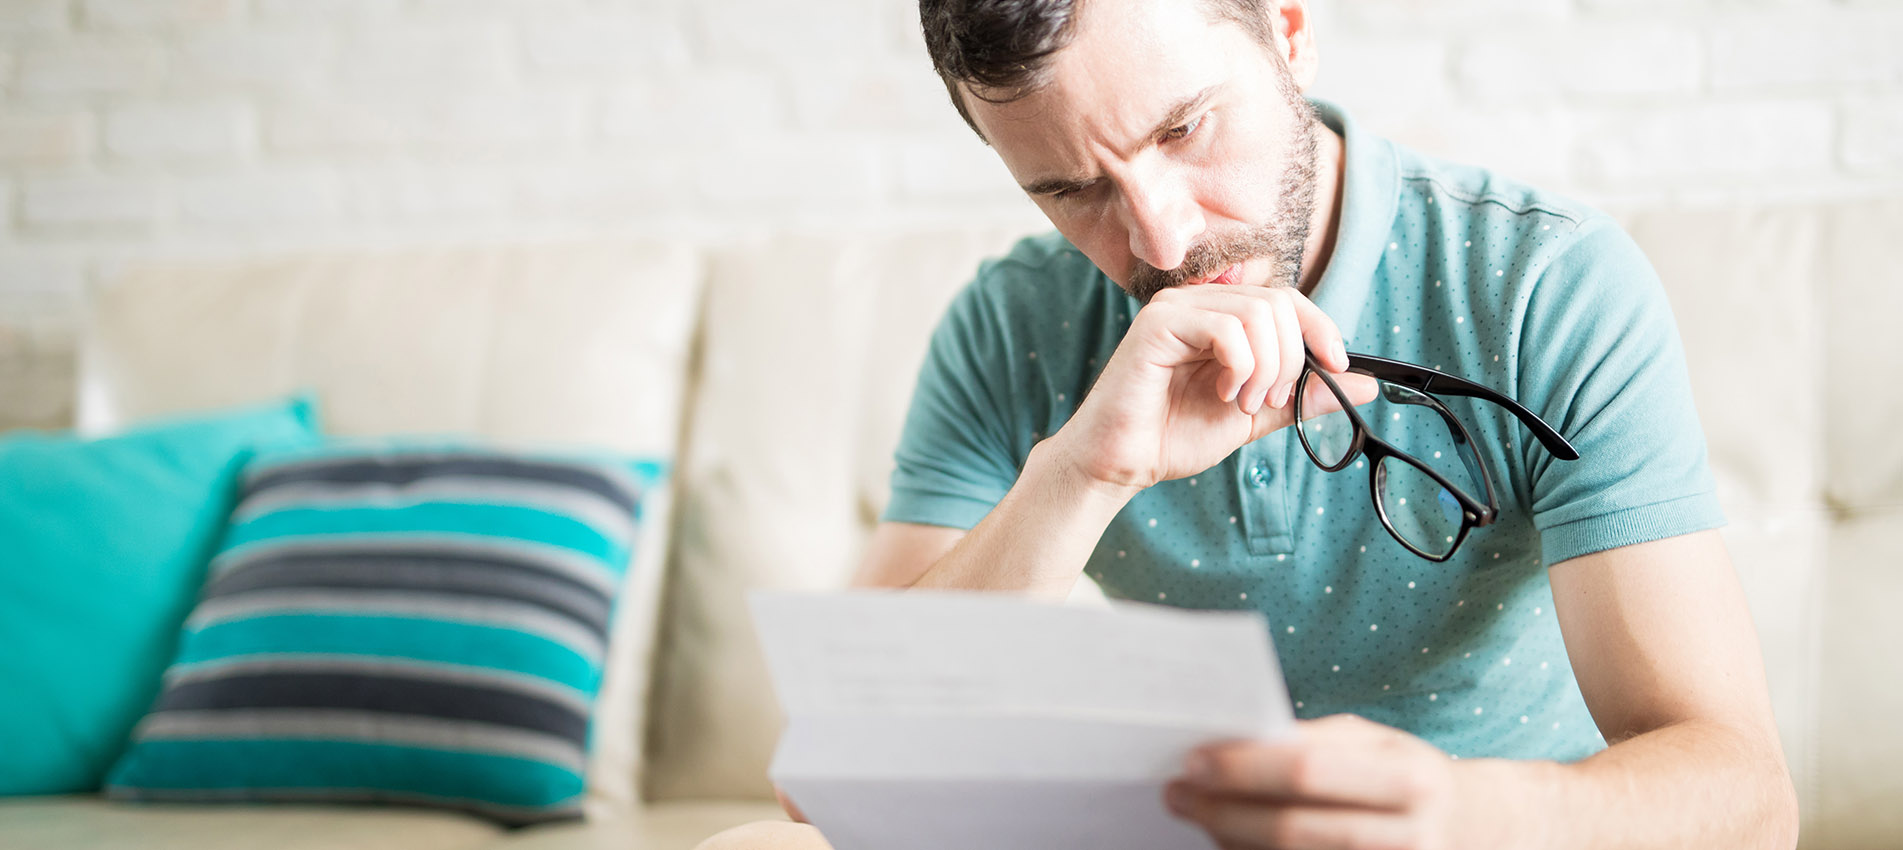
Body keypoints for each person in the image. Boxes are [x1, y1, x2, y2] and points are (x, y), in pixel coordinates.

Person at [698, 0, 1799, 847]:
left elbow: (1751, 800)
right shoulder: (1010, 325)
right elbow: (824, 774)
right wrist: (1083, 472)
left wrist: (1463, 816)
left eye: (1184, 127)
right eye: (1070, 189)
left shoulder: (1540, 283)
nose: (1163, 238)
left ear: (1286, 31)